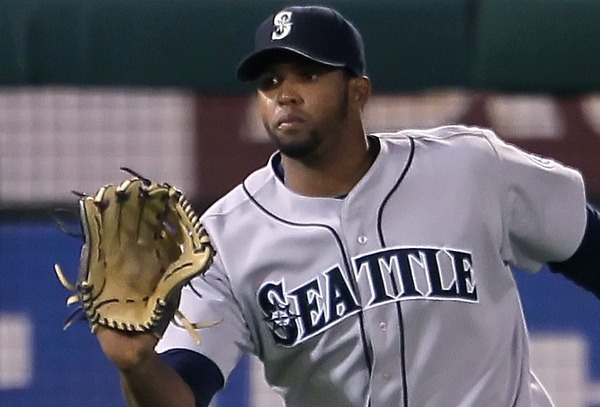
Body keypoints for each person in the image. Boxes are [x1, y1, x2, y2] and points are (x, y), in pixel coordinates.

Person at [95, 5, 600, 407]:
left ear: (358, 91)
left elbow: (586, 243)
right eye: (269, 82)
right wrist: (136, 364)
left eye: (307, 74)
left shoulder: (469, 168)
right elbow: (185, 389)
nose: (285, 93)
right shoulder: (224, 239)